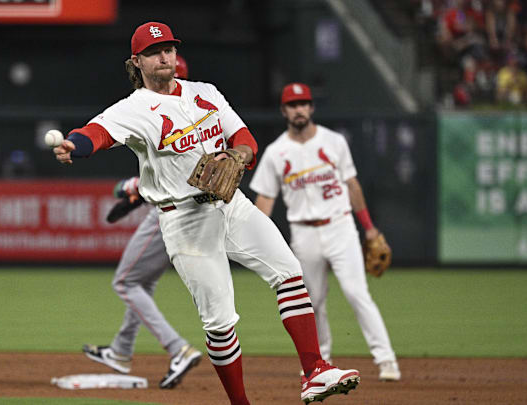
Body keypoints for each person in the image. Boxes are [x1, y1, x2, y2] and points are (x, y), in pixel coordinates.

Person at [53, 22, 360, 404]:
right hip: (184, 221)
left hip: (231, 204)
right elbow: (95, 133)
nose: (164, 56)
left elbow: (244, 138)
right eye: (154, 51)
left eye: (168, 49)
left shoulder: (206, 93)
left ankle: (315, 371)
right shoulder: (133, 109)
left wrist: (239, 155)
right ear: (137, 62)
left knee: (289, 272)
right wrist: (74, 145)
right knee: (220, 323)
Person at [249, 83, 401, 382]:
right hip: (303, 233)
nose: (299, 109)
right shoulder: (275, 153)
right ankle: (321, 362)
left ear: (312, 107)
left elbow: (352, 185)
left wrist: (368, 229)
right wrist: (256, 240)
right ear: (284, 111)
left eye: (304, 103)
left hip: (340, 226)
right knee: (312, 300)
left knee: (358, 294)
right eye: (293, 105)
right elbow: (264, 202)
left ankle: (386, 360)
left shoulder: (334, 142)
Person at [82, 55, 201, 390]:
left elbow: (161, 177)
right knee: (142, 283)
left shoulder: (154, 111)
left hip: (168, 214)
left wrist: (131, 188)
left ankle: (177, 349)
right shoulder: (200, 114)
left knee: (125, 283)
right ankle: (120, 351)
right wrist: (136, 189)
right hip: (194, 214)